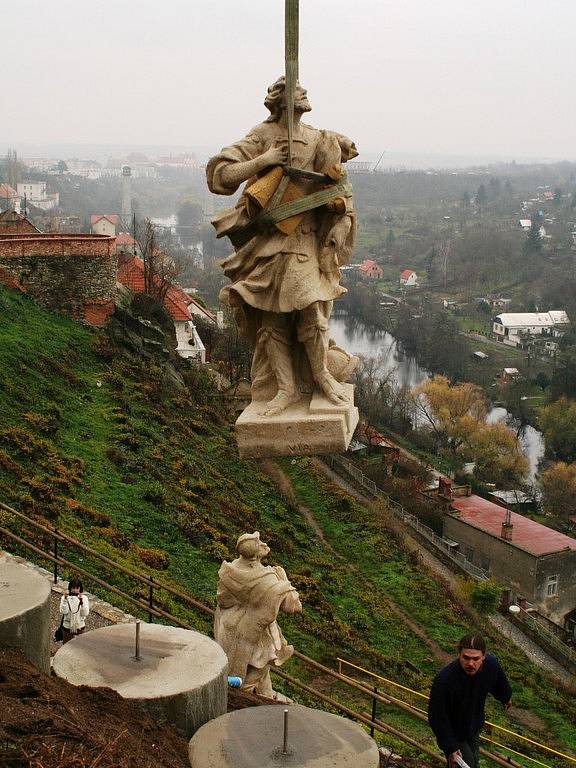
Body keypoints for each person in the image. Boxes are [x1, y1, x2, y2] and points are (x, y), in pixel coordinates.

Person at [206, 77, 359, 416]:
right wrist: (264, 160)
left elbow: (341, 189)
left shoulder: (320, 139)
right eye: (295, 88)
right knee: (271, 320)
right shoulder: (262, 135)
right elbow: (221, 177)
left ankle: (322, 377)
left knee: (311, 311)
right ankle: (286, 389)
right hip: (268, 242)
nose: (304, 90)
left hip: (304, 239)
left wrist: (338, 217)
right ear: (281, 99)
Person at [214, 531, 302, 698]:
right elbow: (293, 606)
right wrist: (284, 580)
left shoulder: (229, 570)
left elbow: (222, 599)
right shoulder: (267, 579)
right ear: (255, 554)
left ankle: (266, 695)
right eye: (259, 542)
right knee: (252, 674)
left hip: (229, 630)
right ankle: (241, 705)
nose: (264, 544)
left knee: (257, 671)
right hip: (256, 638)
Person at [428, 634, 512, 768]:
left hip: (474, 724)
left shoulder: (491, 665)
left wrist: (505, 697)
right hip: (453, 731)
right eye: (466, 658)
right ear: (459, 654)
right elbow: (437, 717)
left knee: (474, 762)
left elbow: (499, 681)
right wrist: (451, 748)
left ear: (484, 656)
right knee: (467, 765)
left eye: (475, 659)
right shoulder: (444, 680)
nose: (470, 664)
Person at [59, 577, 90, 644]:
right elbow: (63, 611)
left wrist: (82, 603)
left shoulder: (84, 598)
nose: (75, 590)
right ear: (70, 588)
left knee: (80, 646)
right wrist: (65, 600)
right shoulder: (65, 598)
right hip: (67, 626)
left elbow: (85, 613)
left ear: (80, 589)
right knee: (66, 646)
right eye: (73, 588)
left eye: (77, 588)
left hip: (80, 626)